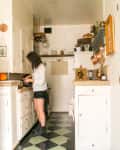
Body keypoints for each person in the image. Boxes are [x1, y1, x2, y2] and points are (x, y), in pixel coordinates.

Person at [24, 51, 48, 134]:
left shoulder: (41, 67)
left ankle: (43, 128)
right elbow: (36, 76)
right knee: (37, 110)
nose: (29, 62)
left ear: (33, 59)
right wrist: (30, 76)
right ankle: (41, 126)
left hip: (40, 91)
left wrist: (30, 80)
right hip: (36, 91)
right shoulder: (36, 67)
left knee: (40, 110)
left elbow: (41, 81)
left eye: (30, 60)